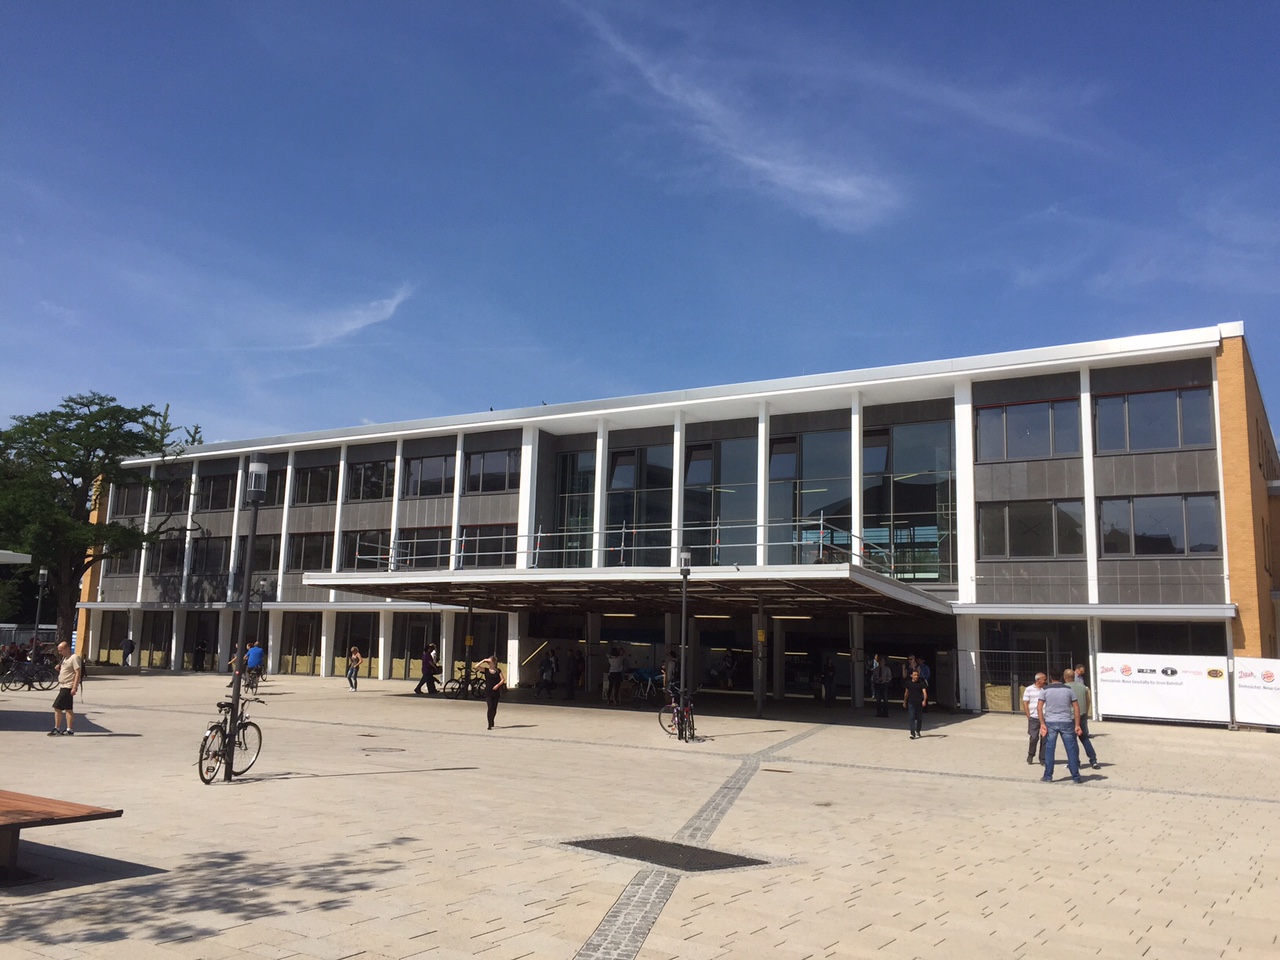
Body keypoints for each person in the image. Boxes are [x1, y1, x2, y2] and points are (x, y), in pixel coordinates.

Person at [1038, 668, 1084, 783]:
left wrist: (1042, 723)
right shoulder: (1069, 690)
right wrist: (1077, 724)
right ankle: (1076, 777)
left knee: (1050, 749)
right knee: (1071, 749)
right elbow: (1076, 708)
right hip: (1066, 722)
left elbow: (1039, 707)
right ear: (1062, 678)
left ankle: (1048, 776)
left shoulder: (1045, 690)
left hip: (1051, 722)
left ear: (1050, 678)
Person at [1070, 663, 1100, 769]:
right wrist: (1086, 711)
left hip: (1073, 714)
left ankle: (1075, 762)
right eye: (1081, 671)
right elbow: (1087, 699)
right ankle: (1093, 760)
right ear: (1076, 670)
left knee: (1073, 740)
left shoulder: (1068, 686)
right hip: (1081, 712)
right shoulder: (1081, 686)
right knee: (1084, 738)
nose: (1082, 673)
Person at [50, 641, 83, 736]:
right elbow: (67, 670)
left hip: (68, 686)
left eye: (61, 650)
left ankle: (57, 728)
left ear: (67, 648)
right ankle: (69, 729)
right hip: (63, 685)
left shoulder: (74, 658)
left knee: (57, 706)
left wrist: (74, 687)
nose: (60, 653)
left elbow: (77, 672)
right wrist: (59, 668)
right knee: (68, 708)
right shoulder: (65, 658)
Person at [1022, 672, 1048, 766]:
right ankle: (1031, 754)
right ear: (1038, 680)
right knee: (1034, 737)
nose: (1046, 681)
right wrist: (1029, 716)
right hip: (1034, 717)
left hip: (1045, 717)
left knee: (1045, 738)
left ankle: (1043, 758)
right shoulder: (1029, 689)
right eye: (1044, 679)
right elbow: (1025, 703)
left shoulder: (1046, 689)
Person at [479, 656, 505, 729]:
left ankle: (492, 719)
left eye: (490, 662)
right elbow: (476, 666)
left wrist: (498, 685)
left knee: (494, 708)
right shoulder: (486, 670)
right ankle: (489, 724)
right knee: (490, 707)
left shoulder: (498, 671)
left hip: (496, 691)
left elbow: (503, 679)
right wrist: (483, 660)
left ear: (494, 663)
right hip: (488, 691)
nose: (488, 663)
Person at [903, 667, 928, 739]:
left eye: (917, 675)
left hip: (919, 703)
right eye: (915, 675)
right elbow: (906, 693)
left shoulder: (921, 683)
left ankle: (918, 731)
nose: (916, 676)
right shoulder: (908, 683)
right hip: (911, 703)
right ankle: (912, 733)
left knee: (919, 718)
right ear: (911, 675)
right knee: (911, 718)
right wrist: (904, 701)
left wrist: (924, 700)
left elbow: (925, 693)